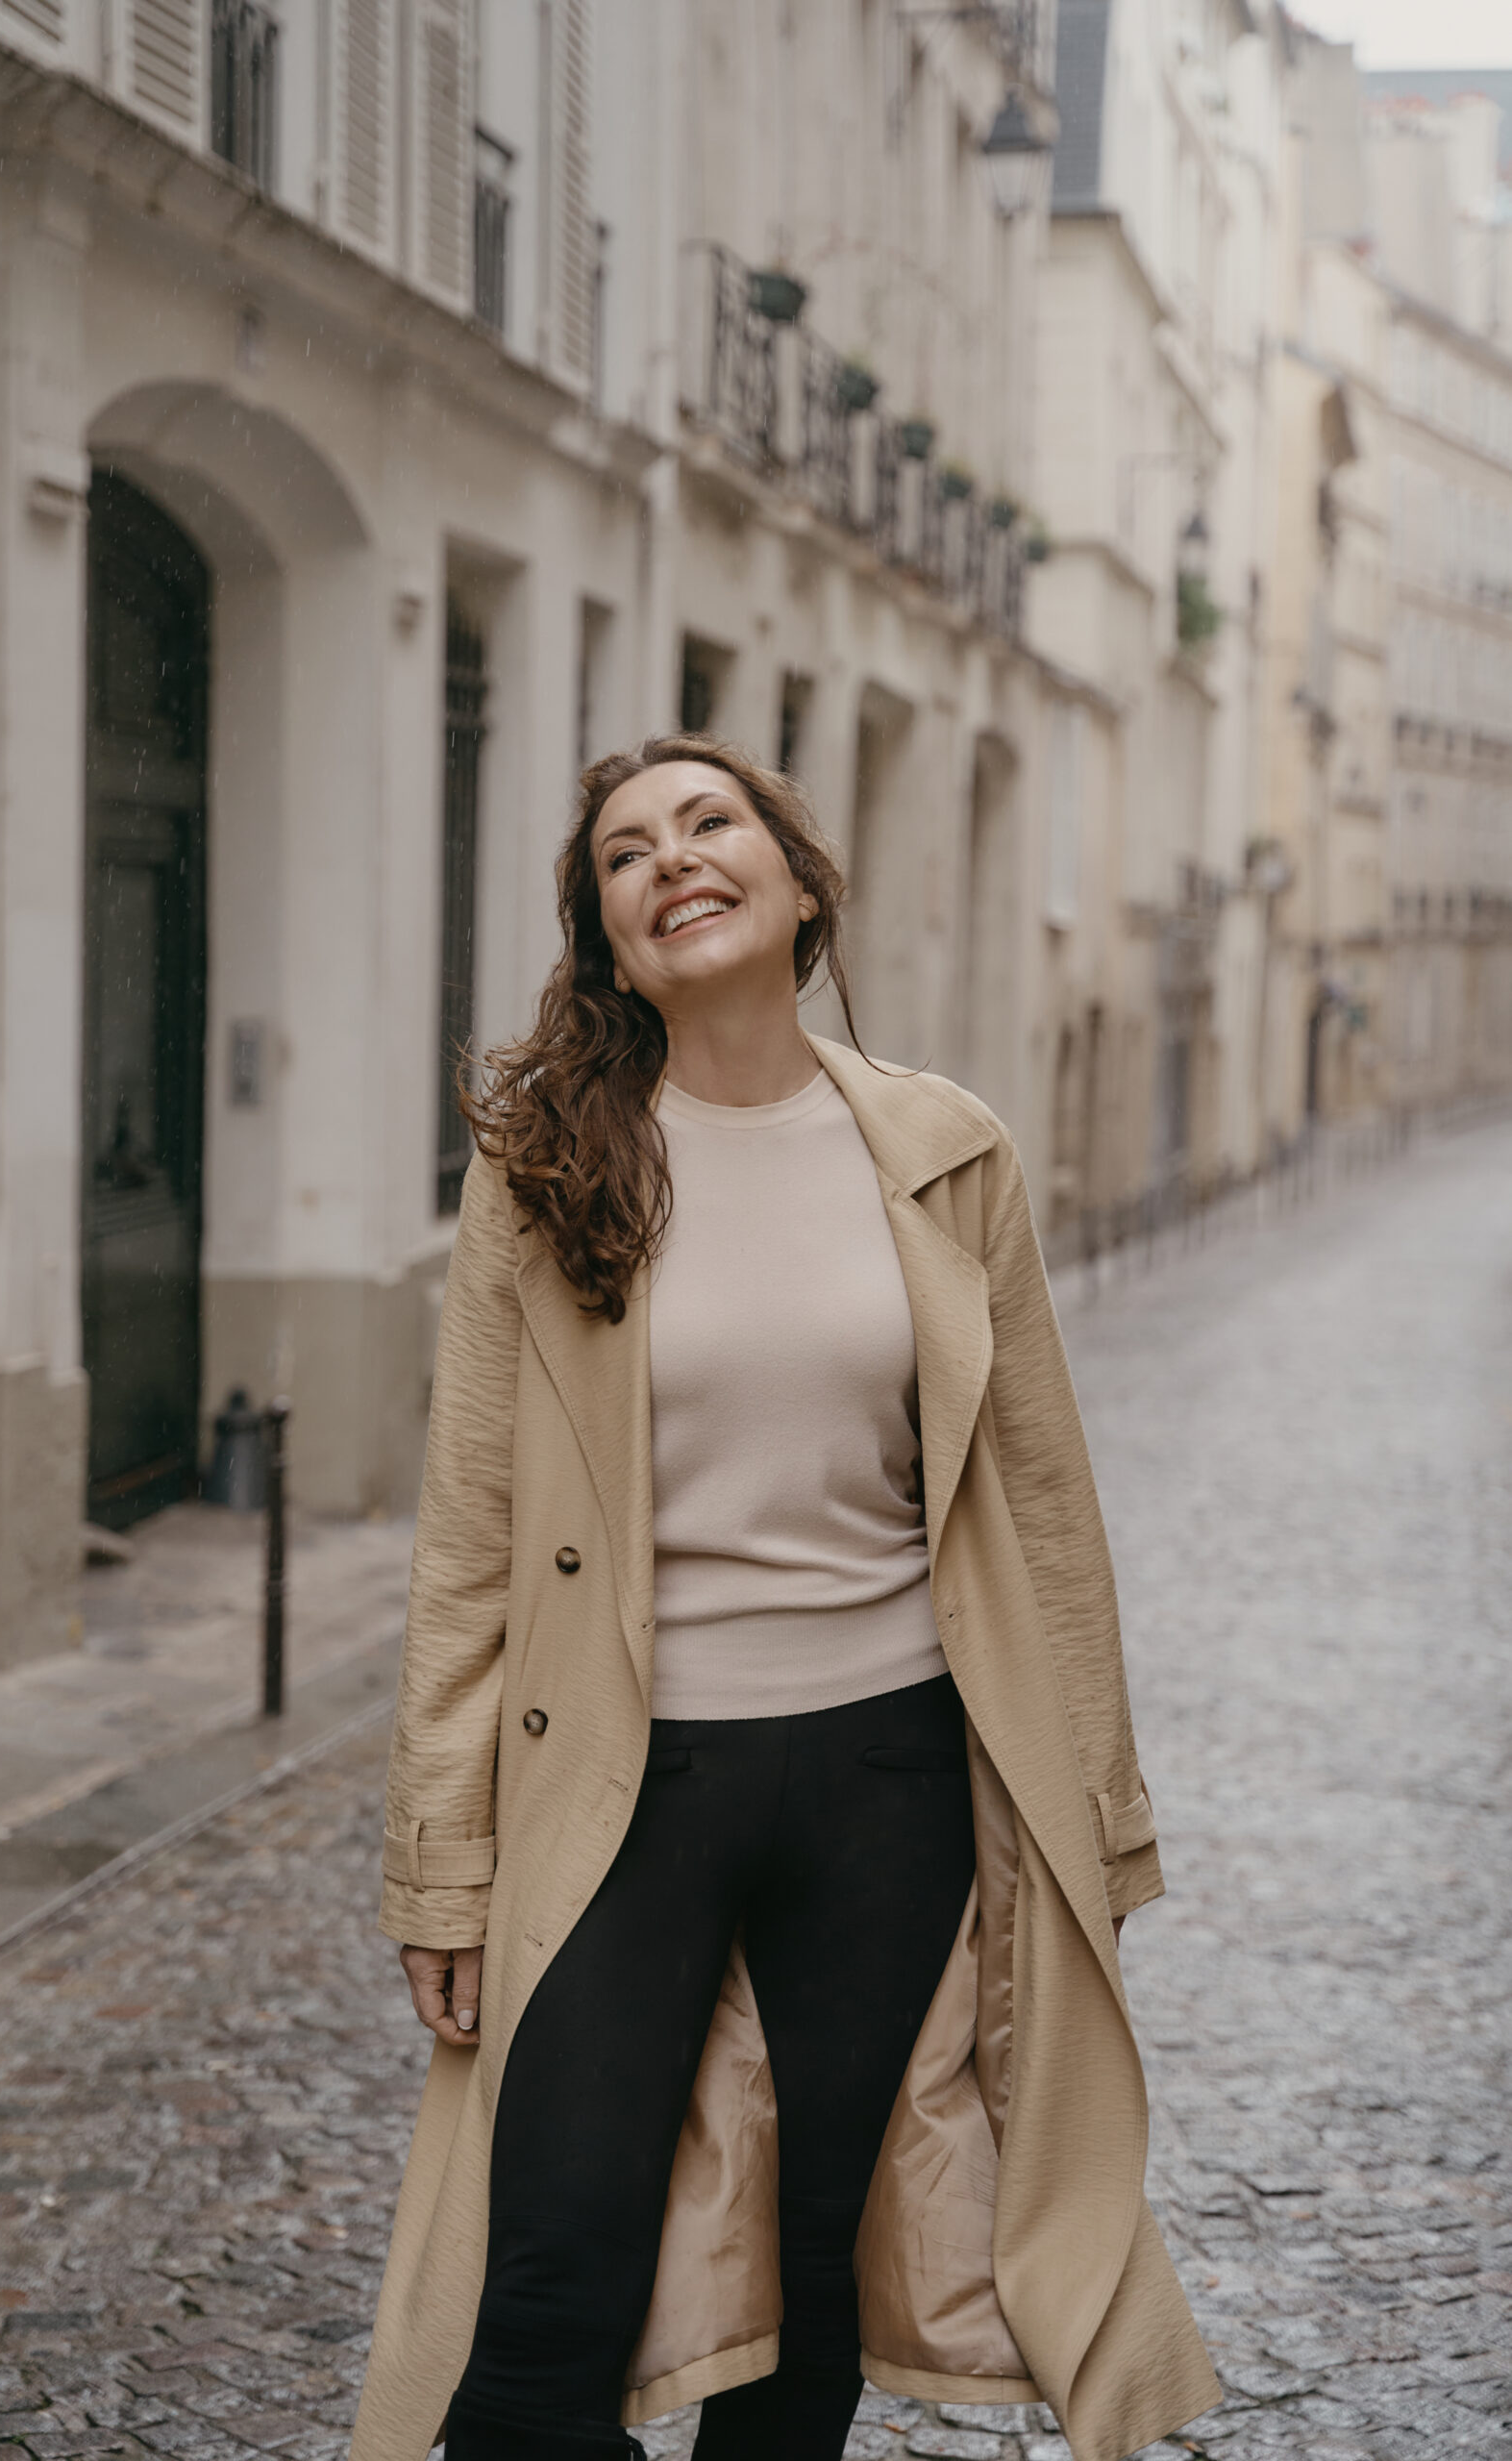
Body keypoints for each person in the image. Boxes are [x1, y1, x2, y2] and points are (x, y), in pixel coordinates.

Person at [350, 737, 1218, 2461]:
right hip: (619, 1785)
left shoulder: (943, 1151)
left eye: (709, 821)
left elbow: (1045, 1517)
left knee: (807, 2299)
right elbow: (470, 1547)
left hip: (888, 1778)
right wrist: (442, 1862)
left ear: (798, 880)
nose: (670, 859)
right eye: (623, 855)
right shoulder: (545, 1170)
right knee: (544, 2303)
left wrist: (1096, 1826)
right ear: (607, 937)